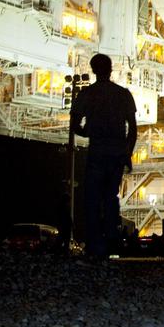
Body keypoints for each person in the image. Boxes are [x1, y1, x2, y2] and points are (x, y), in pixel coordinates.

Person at [69, 54, 137, 260]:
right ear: (111, 69)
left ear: (93, 70)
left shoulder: (87, 94)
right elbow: (133, 129)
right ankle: (111, 241)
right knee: (111, 197)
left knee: (92, 198)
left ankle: (94, 244)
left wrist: (89, 132)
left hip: (97, 152)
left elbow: (74, 126)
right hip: (116, 154)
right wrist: (127, 153)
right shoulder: (123, 94)